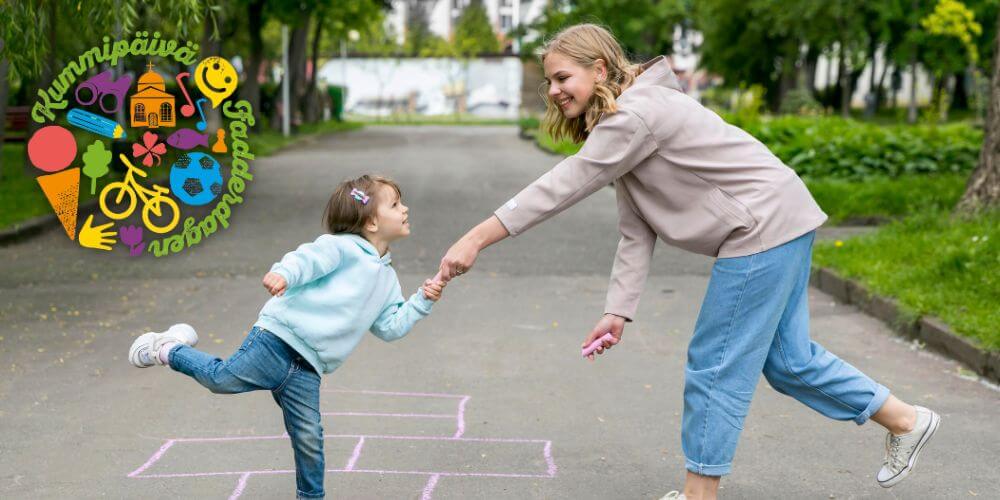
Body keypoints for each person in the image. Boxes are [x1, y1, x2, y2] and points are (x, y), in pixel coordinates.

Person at [437, 24, 939, 499]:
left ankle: (700, 495)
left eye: (563, 77)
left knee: (714, 365)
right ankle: (906, 420)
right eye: (549, 79)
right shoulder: (632, 115)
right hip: (784, 217)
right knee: (789, 362)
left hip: (761, 228)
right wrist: (619, 309)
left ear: (602, 71)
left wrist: (476, 238)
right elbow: (636, 225)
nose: (553, 90)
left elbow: (563, 185)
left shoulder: (633, 116)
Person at [127, 174, 446, 499]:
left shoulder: (388, 280)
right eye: (395, 204)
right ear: (372, 222)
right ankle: (167, 347)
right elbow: (307, 258)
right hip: (277, 341)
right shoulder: (341, 247)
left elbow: (390, 327)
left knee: (309, 437)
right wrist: (284, 273)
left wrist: (421, 301)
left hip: (309, 368)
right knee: (220, 380)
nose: (405, 209)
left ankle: (311, 497)